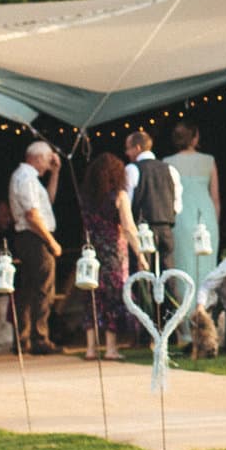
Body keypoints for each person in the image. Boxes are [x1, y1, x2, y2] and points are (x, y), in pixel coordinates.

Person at [76, 151, 142, 361]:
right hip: (113, 252)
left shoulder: (86, 198)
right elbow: (129, 226)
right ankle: (111, 348)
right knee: (112, 297)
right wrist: (140, 254)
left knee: (91, 297)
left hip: (90, 252)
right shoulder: (119, 196)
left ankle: (90, 348)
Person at [6, 140, 63, 356]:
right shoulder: (26, 178)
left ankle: (24, 338)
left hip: (30, 236)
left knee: (30, 288)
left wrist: (55, 174)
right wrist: (51, 241)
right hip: (34, 237)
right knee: (42, 288)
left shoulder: (28, 179)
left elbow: (45, 202)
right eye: (49, 159)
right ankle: (40, 338)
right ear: (37, 158)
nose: (50, 163)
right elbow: (32, 215)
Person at [164, 121, 222, 290]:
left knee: (182, 263)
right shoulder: (209, 161)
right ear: (195, 138)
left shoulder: (167, 162)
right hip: (206, 215)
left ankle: (184, 309)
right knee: (206, 264)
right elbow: (215, 197)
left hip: (180, 216)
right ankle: (204, 307)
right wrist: (215, 222)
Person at [125, 128, 176, 274]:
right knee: (168, 271)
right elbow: (176, 201)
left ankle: (145, 298)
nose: (127, 153)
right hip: (166, 227)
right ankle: (171, 298)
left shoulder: (132, 169)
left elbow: (127, 203)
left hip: (142, 229)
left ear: (138, 148)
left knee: (143, 272)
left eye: (128, 148)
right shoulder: (169, 169)